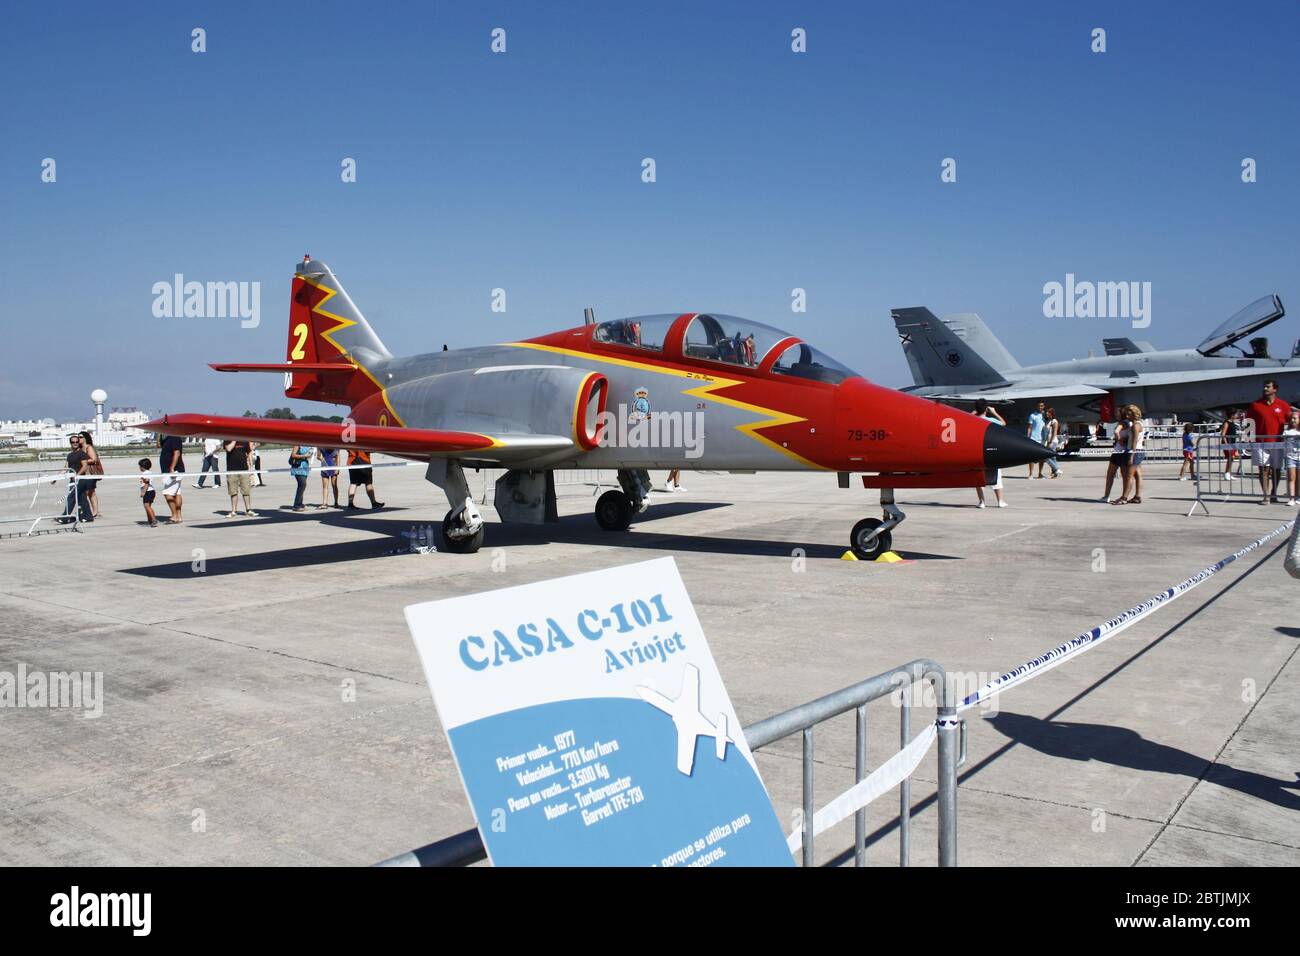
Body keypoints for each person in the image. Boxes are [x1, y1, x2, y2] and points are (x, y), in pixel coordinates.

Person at [1245, 379, 1293, 504]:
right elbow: (1248, 423)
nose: (1265, 389)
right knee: (1263, 469)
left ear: (1275, 389)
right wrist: (1247, 440)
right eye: (1264, 387)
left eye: (1268, 387)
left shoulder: (1283, 405)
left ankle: (1273, 494)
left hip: (1278, 442)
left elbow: (1293, 421)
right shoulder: (1255, 405)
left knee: (1276, 470)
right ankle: (1266, 495)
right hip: (1260, 443)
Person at [974, 401, 1007, 508]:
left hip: (977, 452)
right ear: (986, 409)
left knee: (979, 478)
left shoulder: (973, 420)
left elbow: (962, 420)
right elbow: (1003, 423)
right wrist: (994, 412)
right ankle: (1000, 501)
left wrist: (973, 412)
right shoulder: (991, 421)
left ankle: (982, 502)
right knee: (997, 478)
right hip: (990, 452)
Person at [1115, 404, 1145, 504]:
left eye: (1129, 414)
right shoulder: (1138, 424)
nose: (1127, 416)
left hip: (1134, 451)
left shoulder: (1135, 426)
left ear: (1134, 414)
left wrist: (1131, 456)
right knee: (1137, 475)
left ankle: (1124, 498)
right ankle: (1137, 496)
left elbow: (1135, 441)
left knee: (1129, 476)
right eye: (1126, 414)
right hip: (1138, 451)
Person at [1101, 410, 1131, 503]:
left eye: (1117, 412)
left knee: (1112, 474)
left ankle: (1107, 496)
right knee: (1123, 475)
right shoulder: (1129, 422)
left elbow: (1116, 431)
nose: (1115, 414)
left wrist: (1119, 440)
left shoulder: (1123, 422)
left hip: (1120, 451)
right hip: (1122, 451)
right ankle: (1123, 496)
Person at [61, 434, 92, 523]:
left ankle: (65, 517)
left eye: (77, 442)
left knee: (71, 498)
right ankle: (88, 516)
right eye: (73, 442)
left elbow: (84, 466)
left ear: (79, 443)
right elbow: (66, 467)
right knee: (82, 499)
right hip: (72, 480)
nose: (75, 443)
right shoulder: (70, 455)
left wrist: (76, 475)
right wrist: (56, 477)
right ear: (70, 443)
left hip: (80, 480)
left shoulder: (82, 454)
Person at [223, 439, 257, 517]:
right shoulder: (227, 439)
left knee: (246, 490)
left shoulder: (244, 440)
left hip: (244, 469)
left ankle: (248, 510)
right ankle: (233, 511)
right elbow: (228, 449)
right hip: (232, 470)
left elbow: (249, 453)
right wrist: (234, 440)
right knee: (233, 491)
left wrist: (251, 467)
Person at [159, 432, 185, 524]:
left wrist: (172, 468)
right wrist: (159, 434)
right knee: (177, 493)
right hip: (172, 470)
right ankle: (179, 516)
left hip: (173, 471)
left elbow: (177, 453)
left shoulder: (175, 437)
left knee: (167, 493)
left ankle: (174, 516)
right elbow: (158, 445)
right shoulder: (166, 438)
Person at [78, 431, 104, 518]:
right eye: (78, 437)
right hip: (83, 473)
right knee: (90, 492)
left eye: (81, 437)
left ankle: (92, 512)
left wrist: (82, 461)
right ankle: (94, 511)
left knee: (88, 492)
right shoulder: (79, 448)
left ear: (85, 438)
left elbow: (94, 459)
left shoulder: (88, 447)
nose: (79, 438)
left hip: (90, 473)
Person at [1282, 409, 1300, 507]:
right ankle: (1291, 498)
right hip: (1290, 457)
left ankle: (1298, 497)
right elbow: (1284, 439)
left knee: (1299, 479)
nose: (1293, 420)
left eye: (1295, 418)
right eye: (1291, 418)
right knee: (1291, 478)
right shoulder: (1287, 432)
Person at [289, 444, 314, 511]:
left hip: (305, 467)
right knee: (302, 484)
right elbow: (293, 455)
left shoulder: (307, 444)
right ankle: (296, 505)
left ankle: (300, 504)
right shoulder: (297, 444)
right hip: (298, 467)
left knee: (302, 486)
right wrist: (304, 456)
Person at [1026, 401, 1048, 479]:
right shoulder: (1032, 415)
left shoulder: (1046, 415)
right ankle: (1030, 474)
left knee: (1042, 457)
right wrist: (1028, 437)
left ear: (1044, 406)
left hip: (1043, 439)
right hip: (1034, 438)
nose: (1040, 407)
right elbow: (1029, 427)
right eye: (1039, 406)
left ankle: (1040, 473)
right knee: (1032, 457)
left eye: (1041, 406)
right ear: (1036, 406)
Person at [1220, 410, 1241, 480]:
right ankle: (1227, 474)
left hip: (1232, 443)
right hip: (1227, 444)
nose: (1237, 415)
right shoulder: (1226, 423)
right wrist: (1226, 445)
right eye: (1236, 414)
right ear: (1232, 415)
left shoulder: (1233, 422)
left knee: (1232, 458)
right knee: (1230, 458)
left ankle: (1228, 473)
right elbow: (1223, 434)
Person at [1042, 406, 1062, 478]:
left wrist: (1050, 442)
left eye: (1048, 412)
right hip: (1048, 441)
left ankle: (1056, 469)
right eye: (1046, 412)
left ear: (1052, 413)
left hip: (1052, 441)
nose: (1047, 413)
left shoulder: (1054, 421)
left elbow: (1054, 433)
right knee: (1053, 458)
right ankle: (1055, 473)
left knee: (1045, 456)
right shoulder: (1048, 421)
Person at [138, 458, 158, 527]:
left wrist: (143, 492)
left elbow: (147, 483)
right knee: (148, 506)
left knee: (147, 506)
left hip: (148, 491)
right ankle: (150, 520)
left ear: (142, 467)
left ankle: (153, 520)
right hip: (151, 491)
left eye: (140, 466)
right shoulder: (149, 473)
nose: (139, 468)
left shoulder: (145, 473)